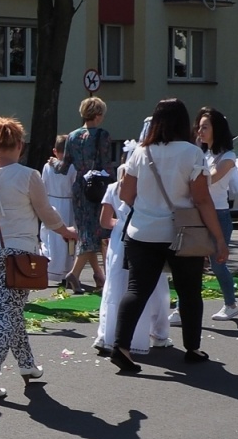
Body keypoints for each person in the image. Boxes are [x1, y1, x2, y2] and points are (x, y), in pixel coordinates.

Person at [108, 98, 227, 374]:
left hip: (142, 232)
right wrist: (218, 238)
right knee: (189, 291)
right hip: (182, 232)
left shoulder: (141, 152)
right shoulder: (192, 153)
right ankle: (192, 347)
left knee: (136, 290)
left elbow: (126, 194)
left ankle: (120, 346)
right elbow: (202, 199)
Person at [0, 117, 77, 397]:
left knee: (9, 310)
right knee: (7, 313)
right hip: (19, 251)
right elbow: (46, 212)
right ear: (19, 145)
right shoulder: (28, 176)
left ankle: (27, 364)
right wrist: (66, 230)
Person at [95, 167, 172, 355]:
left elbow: (105, 221)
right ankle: (157, 333)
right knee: (152, 287)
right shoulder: (149, 189)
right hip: (144, 237)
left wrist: (120, 223)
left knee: (115, 285)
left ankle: (107, 334)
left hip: (118, 241)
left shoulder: (113, 188)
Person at [61, 97, 114, 292]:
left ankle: (98, 276)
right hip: (97, 187)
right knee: (98, 232)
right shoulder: (102, 135)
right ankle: (74, 274)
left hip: (79, 188)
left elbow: (63, 167)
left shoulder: (72, 136)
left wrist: (52, 164)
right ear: (98, 115)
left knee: (86, 232)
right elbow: (106, 165)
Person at [196, 108, 238, 321]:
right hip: (198, 213)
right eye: (199, 127)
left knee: (217, 263)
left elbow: (210, 179)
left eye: (205, 127)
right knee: (192, 262)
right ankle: (182, 307)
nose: (200, 131)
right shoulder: (203, 153)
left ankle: (230, 304)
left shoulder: (228, 156)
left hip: (219, 214)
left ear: (217, 129)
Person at [40, 135, 75, 285]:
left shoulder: (47, 167)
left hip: (52, 203)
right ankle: (67, 270)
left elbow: (43, 186)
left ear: (55, 151)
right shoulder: (73, 167)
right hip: (68, 205)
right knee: (67, 239)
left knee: (52, 239)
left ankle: (52, 269)